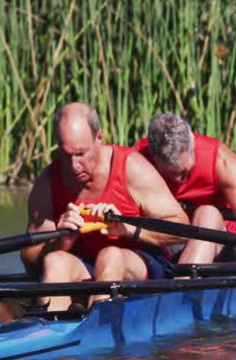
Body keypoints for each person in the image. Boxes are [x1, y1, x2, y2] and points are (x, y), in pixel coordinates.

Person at [15, 102, 189, 314]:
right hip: (85, 265)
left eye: (81, 153)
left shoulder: (131, 168)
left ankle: (96, 327)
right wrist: (61, 241)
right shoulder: (48, 183)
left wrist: (130, 229)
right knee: (54, 260)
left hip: (139, 263)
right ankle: (54, 334)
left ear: (99, 137)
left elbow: (181, 228)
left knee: (110, 255)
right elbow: (30, 261)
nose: (73, 166)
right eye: (65, 154)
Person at [134, 113, 236, 276]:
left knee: (207, 212)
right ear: (154, 157)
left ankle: (181, 286)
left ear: (191, 145)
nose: (179, 181)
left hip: (216, 245)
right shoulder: (136, 161)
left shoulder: (222, 162)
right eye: (170, 175)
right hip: (162, 246)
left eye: (185, 172)